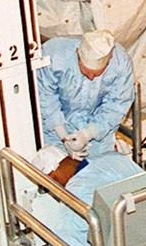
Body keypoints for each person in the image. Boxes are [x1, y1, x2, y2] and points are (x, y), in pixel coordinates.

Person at [36, 30, 135, 161]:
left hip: (98, 133)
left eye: (96, 74)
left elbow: (116, 107)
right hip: (54, 129)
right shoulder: (54, 55)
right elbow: (46, 98)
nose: (91, 77)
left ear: (109, 60)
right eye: (86, 72)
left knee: (95, 174)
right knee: (54, 170)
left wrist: (87, 134)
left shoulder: (120, 63)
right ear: (78, 54)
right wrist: (63, 136)